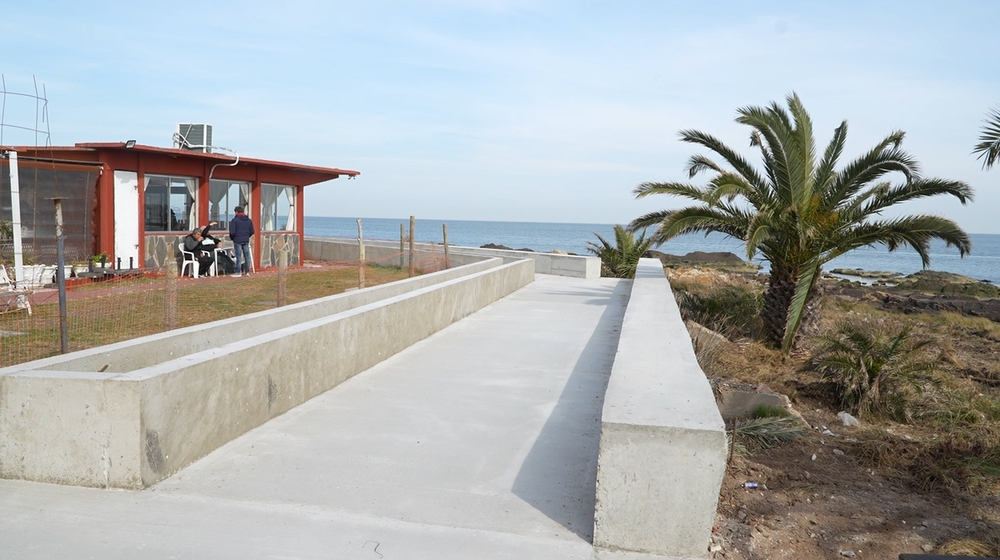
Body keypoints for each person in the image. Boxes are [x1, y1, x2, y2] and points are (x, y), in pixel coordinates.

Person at [229, 205, 255, 277]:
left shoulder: (234, 220)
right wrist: (247, 236)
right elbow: (252, 231)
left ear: (236, 212)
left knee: (238, 256)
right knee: (247, 256)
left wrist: (233, 238)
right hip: (246, 239)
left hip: (237, 240)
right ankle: (247, 271)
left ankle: (238, 271)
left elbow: (232, 232)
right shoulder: (249, 220)